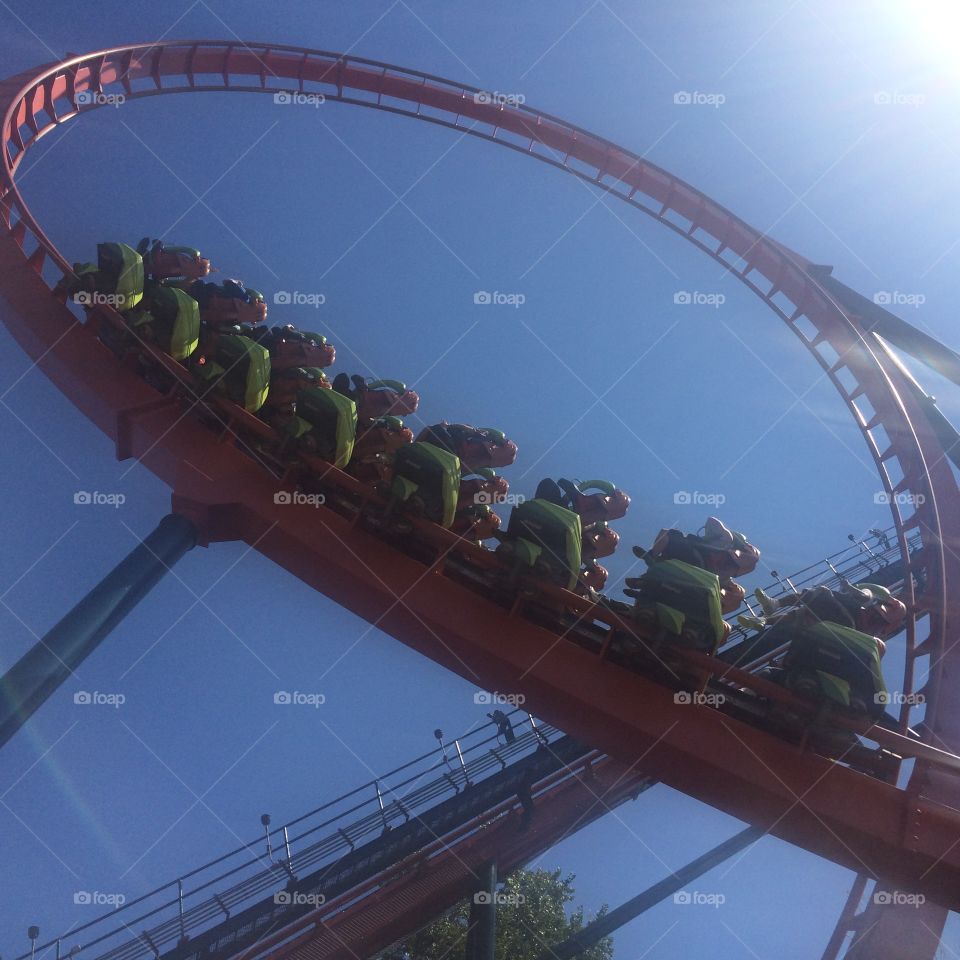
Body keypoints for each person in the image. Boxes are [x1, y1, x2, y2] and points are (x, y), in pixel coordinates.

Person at [417, 422, 518, 471]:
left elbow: (465, 466)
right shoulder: (479, 436)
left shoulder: (484, 458)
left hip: (449, 459)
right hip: (446, 449)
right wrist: (471, 430)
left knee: (437, 429)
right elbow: (451, 428)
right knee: (435, 429)